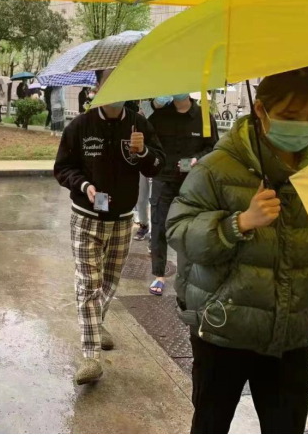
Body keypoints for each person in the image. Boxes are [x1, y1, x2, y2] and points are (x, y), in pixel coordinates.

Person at [167, 68, 308, 434]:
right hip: (223, 330)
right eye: (291, 116)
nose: (303, 126)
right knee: (211, 424)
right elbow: (178, 230)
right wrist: (239, 223)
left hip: (290, 333)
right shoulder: (216, 168)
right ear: (261, 110)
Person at [54, 68, 165, 386]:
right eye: (108, 83)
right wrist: (84, 185)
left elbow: (158, 165)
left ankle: (95, 321)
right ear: (98, 87)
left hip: (122, 220)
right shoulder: (80, 126)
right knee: (88, 284)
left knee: (109, 282)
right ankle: (91, 357)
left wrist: (143, 152)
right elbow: (62, 168)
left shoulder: (139, 124)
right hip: (86, 217)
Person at [147, 93, 218, 296]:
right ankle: (159, 275)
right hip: (163, 179)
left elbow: (213, 147)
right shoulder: (159, 116)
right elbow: (149, 143)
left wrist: (197, 159)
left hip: (191, 183)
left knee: (188, 230)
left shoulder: (204, 117)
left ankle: (185, 275)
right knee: (159, 226)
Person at [134, 99, 155, 242]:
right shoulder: (144, 106)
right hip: (141, 159)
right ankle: (143, 224)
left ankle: (155, 230)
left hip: (155, 160)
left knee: (154, 199)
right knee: (141, 198)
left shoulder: (166, 109)